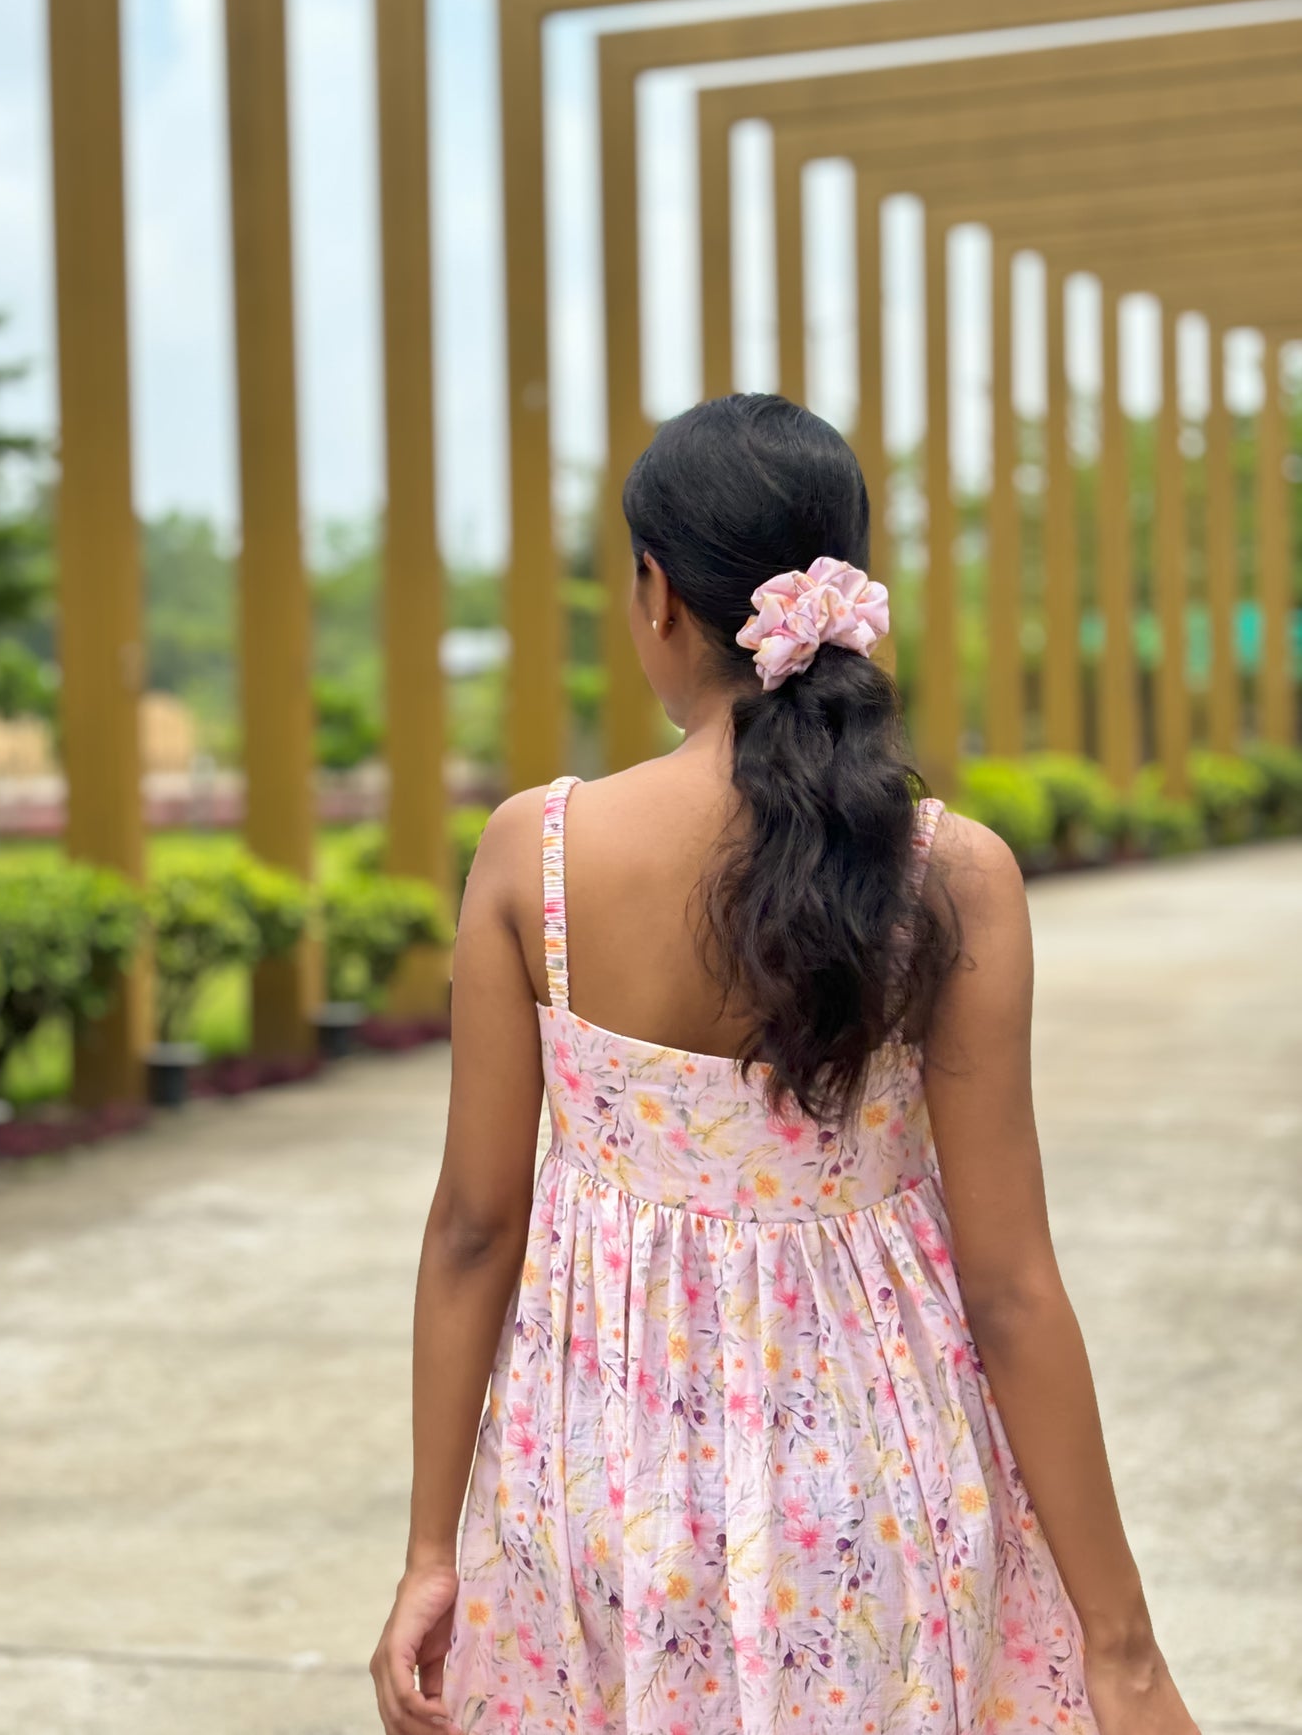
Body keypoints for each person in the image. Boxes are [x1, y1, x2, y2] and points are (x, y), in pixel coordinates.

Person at [371, 395, 1198, 1735]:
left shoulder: (542, 853)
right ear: (848, 586)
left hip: (600, 1492)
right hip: (884, 1480)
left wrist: (428, 1553)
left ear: (654, 596)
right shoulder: (950, 875)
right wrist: (1121, 1647)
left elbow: (474, 1229)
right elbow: (1008, 1285)